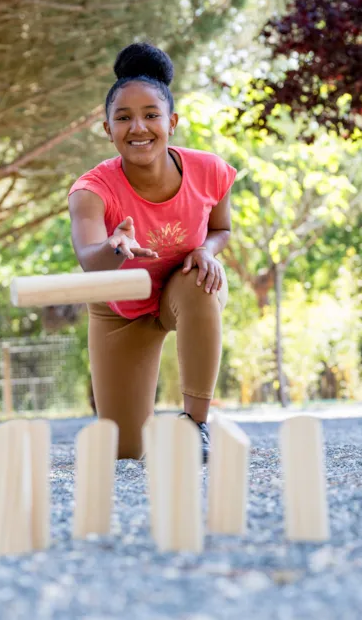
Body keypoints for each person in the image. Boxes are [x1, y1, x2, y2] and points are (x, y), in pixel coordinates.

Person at [67, 42, 237, 461]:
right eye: (123, 118)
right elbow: (91, 261)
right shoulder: (91, 190)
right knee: (126, 453)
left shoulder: (209, 171)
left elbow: (222, 228)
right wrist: (114, 248)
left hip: (183, 287)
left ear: (172, 122)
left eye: (150, 115)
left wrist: (206, 249)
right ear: (107, 130)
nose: (137, 127)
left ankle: (194, 425)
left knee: (202, 280)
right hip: (119, 310)